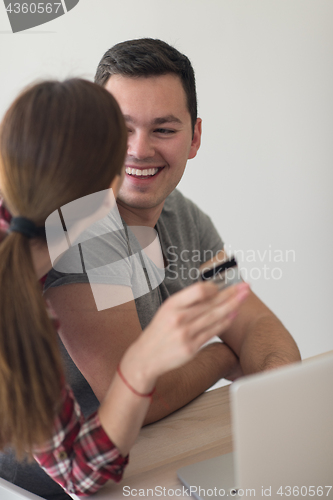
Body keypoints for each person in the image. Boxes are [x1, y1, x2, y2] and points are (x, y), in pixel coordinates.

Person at [0, 78, 249, 499]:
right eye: (127, 134)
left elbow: (251, 316)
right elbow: (79, 474)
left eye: (164, 129)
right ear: (107, 195)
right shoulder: (39, 299)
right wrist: (152, 364)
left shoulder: (186, 213)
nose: (142, 150)